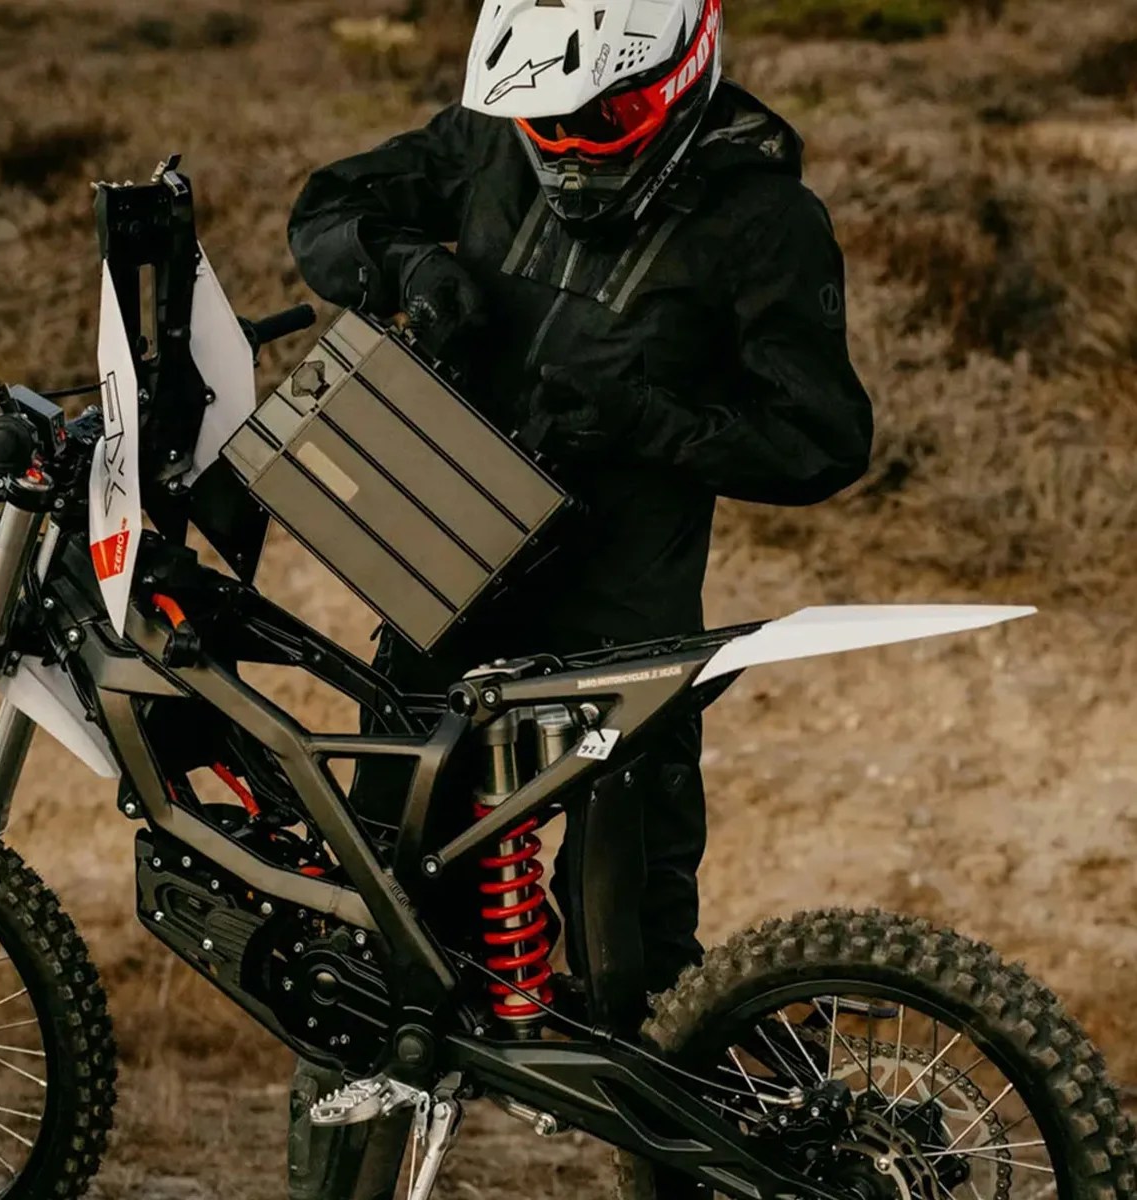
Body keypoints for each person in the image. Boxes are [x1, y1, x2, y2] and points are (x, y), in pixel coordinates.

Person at [282, 0, 874, 1197]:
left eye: (597, 117)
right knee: (372, 956)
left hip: (623, 644)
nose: (563, 139)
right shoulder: (493, 141)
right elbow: (326, 206)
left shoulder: (765, 222)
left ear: (676, 78)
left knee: (637, 991)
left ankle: (784, 1164)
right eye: (541, 119)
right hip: (445, 600)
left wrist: (655, 418)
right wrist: (413, 266)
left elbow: (822, 442)